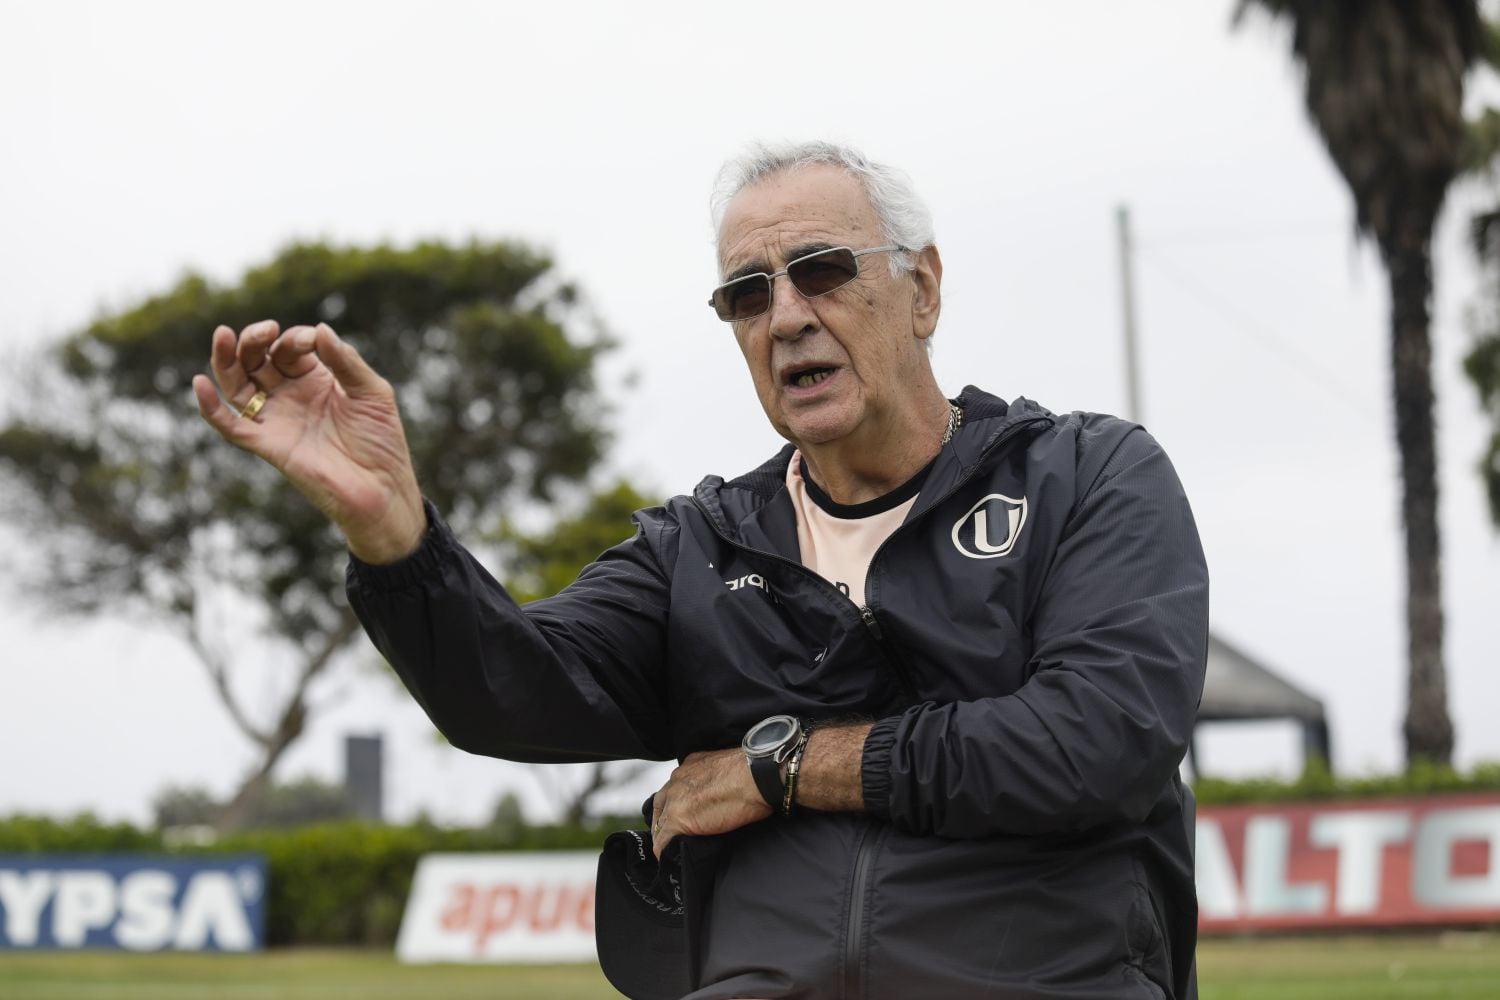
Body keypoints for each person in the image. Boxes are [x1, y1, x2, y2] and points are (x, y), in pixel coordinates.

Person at [193, 141, 1208, 1000]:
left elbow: (1098, 739)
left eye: (821, 269)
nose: (786, 316)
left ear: (923, 289)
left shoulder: (1089, 475)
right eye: (747, 293)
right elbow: (515, 695)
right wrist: (398, 537)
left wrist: (778, 769)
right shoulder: (703, 546)